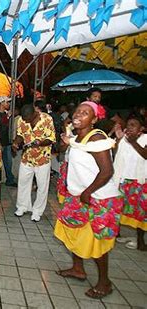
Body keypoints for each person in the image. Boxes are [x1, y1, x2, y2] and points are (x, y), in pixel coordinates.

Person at [54, 101, 122, 299]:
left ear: (94, 120)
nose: (78, 115)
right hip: (79, 195)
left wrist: (88, 192)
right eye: (77, 111)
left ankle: (105, 282)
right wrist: (66, 138)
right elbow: (61, 149)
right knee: (73, 229)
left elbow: (107, 171)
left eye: (85, 113)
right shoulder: (77, 138)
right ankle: (78, 269)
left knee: (97, 240)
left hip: (98, 197)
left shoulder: (97, 138)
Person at [12, 104, 55, 222]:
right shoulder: (22, 119)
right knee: (23, 183)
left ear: (34, 114)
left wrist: (39, 143)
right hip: (27, 158)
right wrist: (16, 142)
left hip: (42, 159)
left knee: (42, 186)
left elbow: (51, 138)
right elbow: (20, 134)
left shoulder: (47, 119)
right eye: (24, 119)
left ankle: (37, 211)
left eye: (27, 119)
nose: (25, 121)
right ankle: (22, 207)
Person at [113, 114, 146, 250]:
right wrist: (118, 139)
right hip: (121, 179)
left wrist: (133, 142)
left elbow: (145, 155)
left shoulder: (145, 139)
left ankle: (141, 241)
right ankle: (116, 234)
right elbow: (115, 154)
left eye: (133, 125)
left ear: (141, 128)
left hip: (139, 181)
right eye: (128, 125)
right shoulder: (123, 139)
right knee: (118, 208)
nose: (129, 128)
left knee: (140, 211)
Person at [0, 96, 17, 187]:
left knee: (8, 163)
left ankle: (9, 180)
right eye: (7, 102)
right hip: (1, 142)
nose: (9, 104)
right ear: (2, 103)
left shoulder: (6, 114)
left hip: (7, 142)